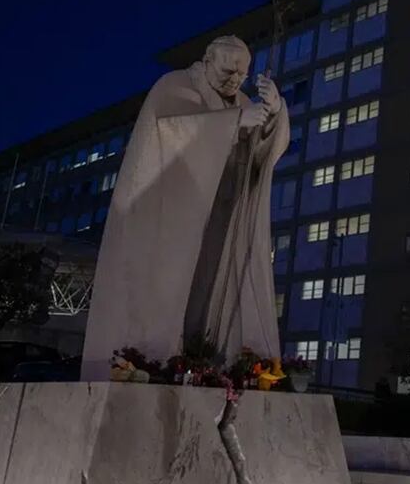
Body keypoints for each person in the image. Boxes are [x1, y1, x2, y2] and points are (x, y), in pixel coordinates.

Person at [80, 35, 288, 380]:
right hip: (173, 215)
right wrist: (236, 120)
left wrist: (274, 112)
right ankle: (145, 363)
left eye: (241, 75)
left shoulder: (240, 100)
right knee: (167, 289)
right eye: (227, 72)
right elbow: (171, 132)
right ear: (207, 61)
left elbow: (260, 155)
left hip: (219, 214)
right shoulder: (175, 85)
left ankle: (205, 363)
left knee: (209, 292)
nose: (234, 81)